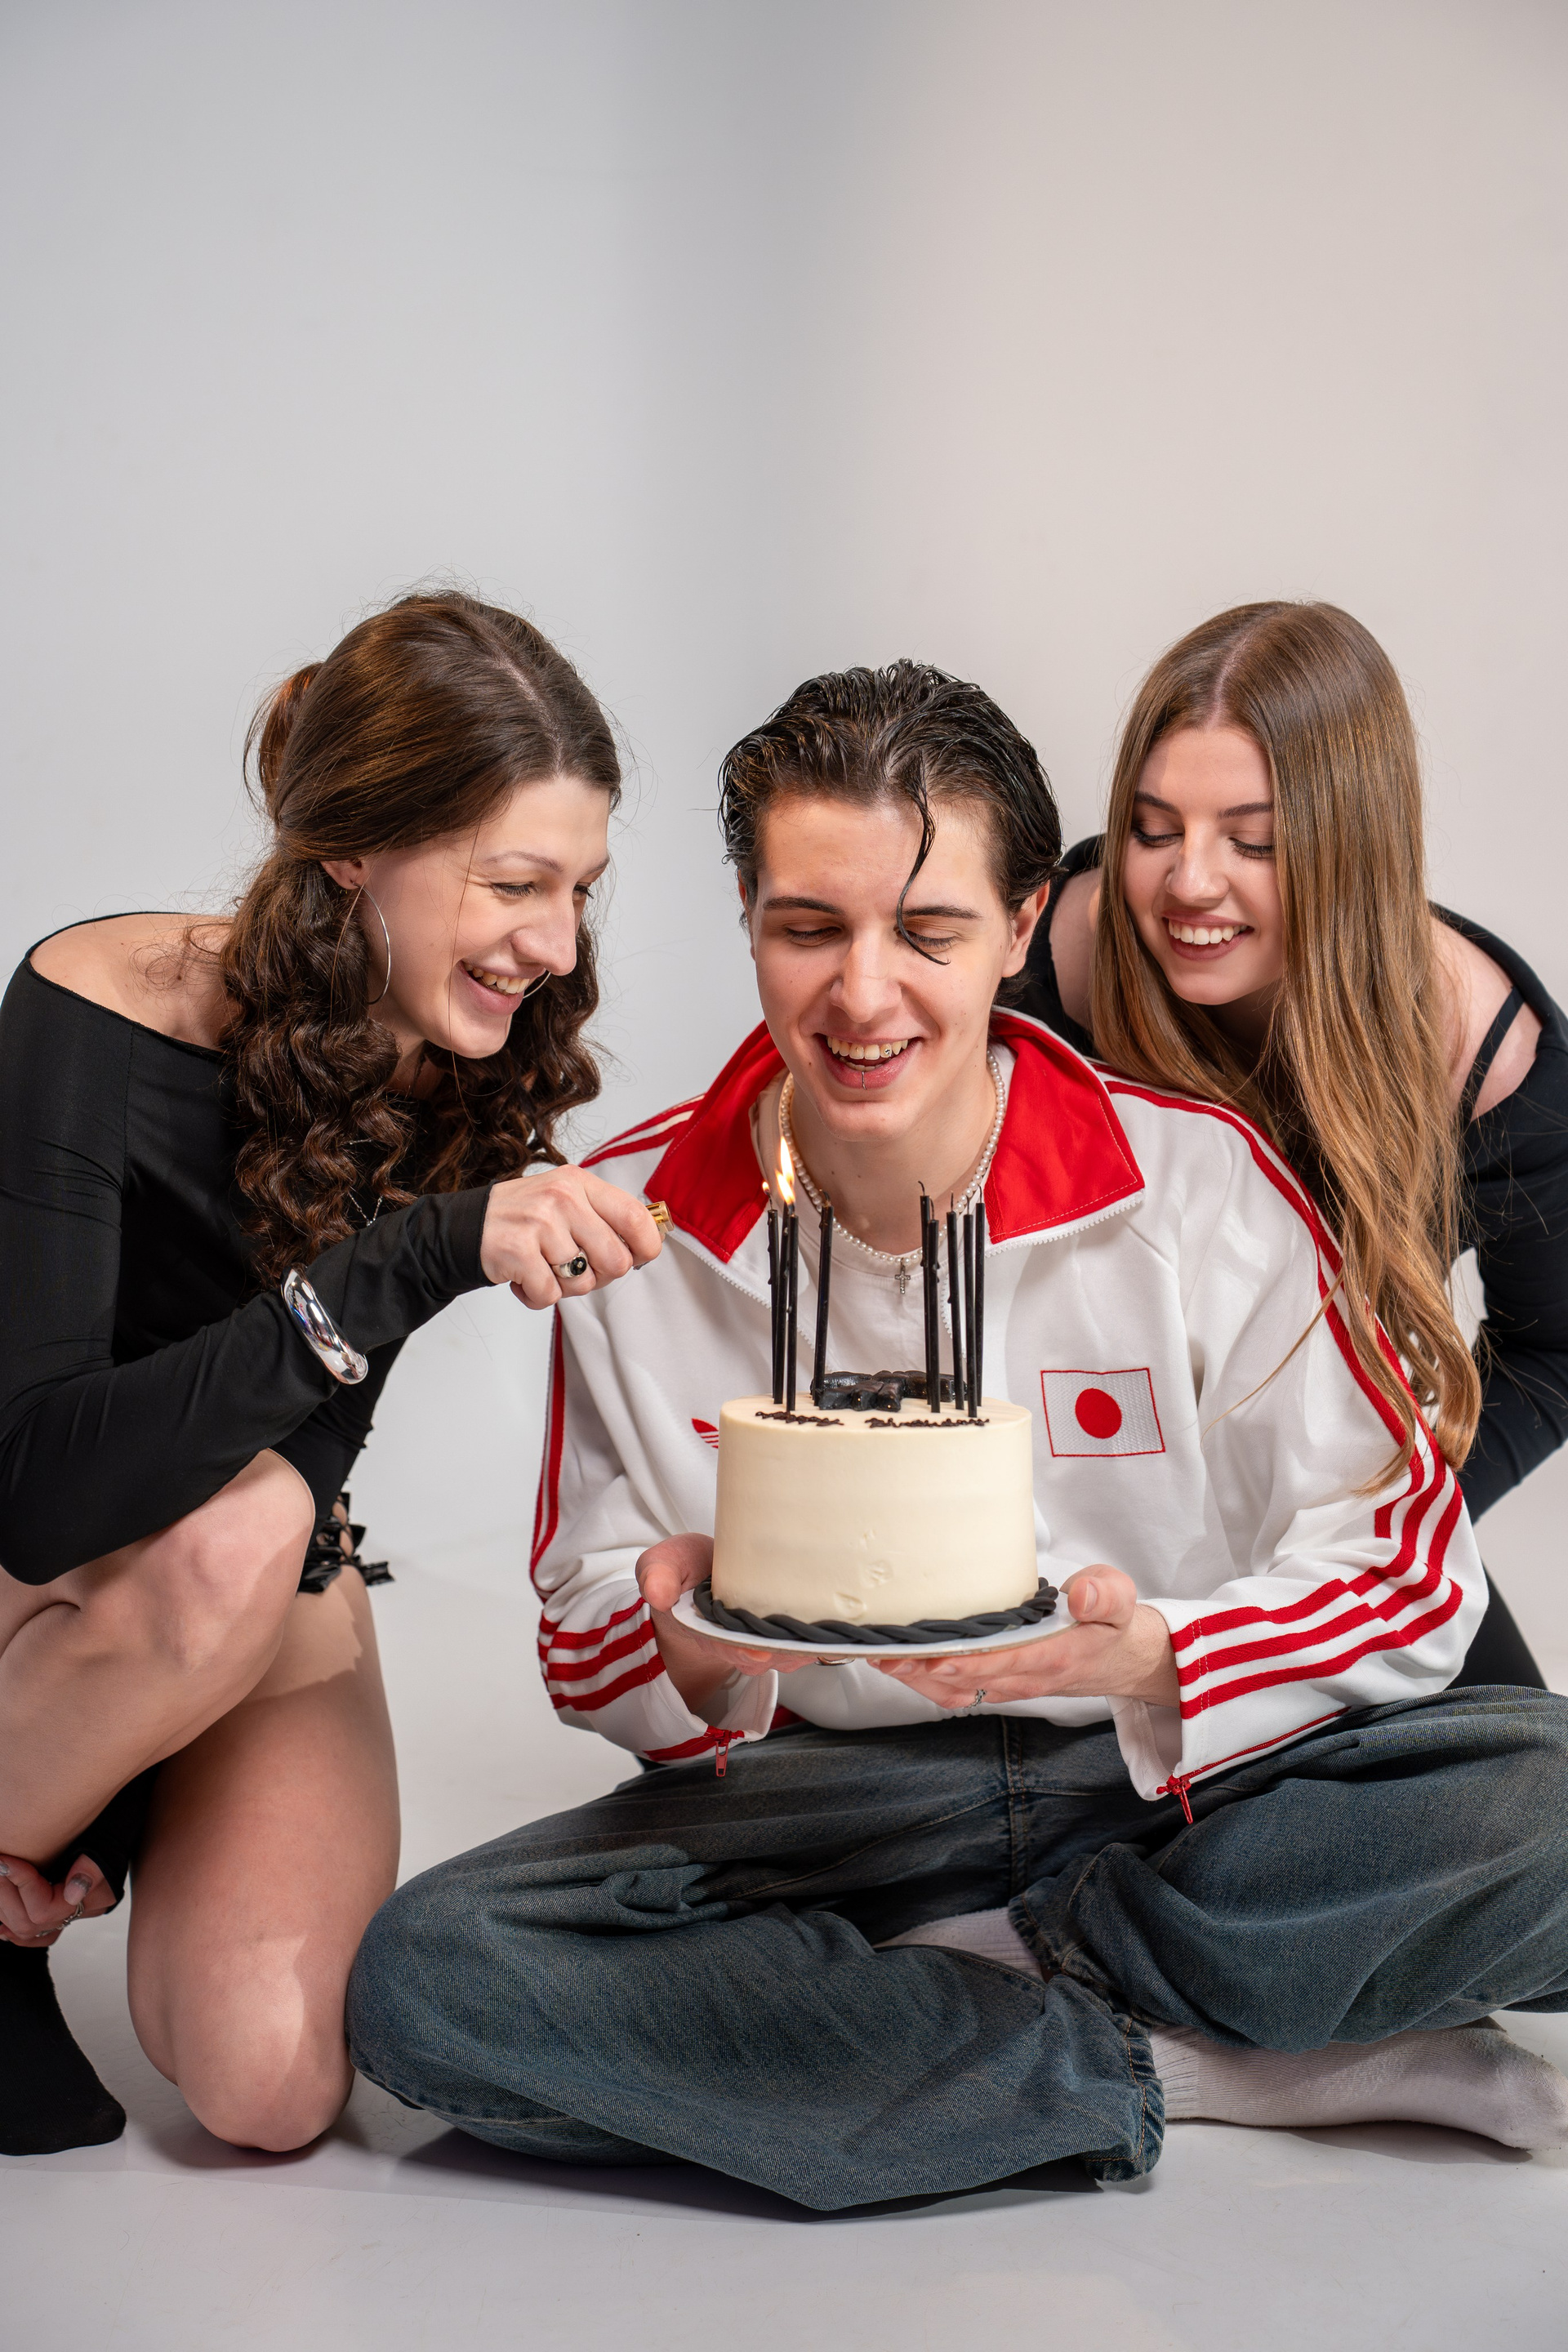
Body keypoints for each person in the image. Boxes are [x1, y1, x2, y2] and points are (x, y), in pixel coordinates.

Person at [347, 662, 1568, 2212]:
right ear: (746, 915)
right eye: (809, 928)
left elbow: (1407, 1564)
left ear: (1020, 926)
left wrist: (1158, 1655)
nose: (865, 998)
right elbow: (587, 1629)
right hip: (843, 1797)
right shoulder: (638, 1221)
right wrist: (691, 1651)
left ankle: (963, 1989)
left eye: (928, 932)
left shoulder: (1199, 1183)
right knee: (442, 1978)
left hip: (1167, 1785)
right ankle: (1191, 2059)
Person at [0, 590, 662, 2158]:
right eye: (514, 883)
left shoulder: (473, 1043)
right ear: (357, 849)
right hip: (33, 1558)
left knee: (272, 2087)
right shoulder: (91, 1008)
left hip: (233, 1574)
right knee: (225, 1546)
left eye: (579, 889)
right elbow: (39, 1487)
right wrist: (411, 1255)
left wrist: (129, 1766)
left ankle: (64, 1802)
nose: (556, 946)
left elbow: (313, 1442)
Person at [1017, 601, 1568, 1690]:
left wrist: (1387, 1527)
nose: (1190, 883)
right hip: (1061, 1512)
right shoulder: (1034, 967)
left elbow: (1554, 1353)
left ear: (1353, 845)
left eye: (1255, 841)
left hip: (1307, 1536)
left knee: (1529, 1766)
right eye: (1154, 830)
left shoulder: (1490, 1057)